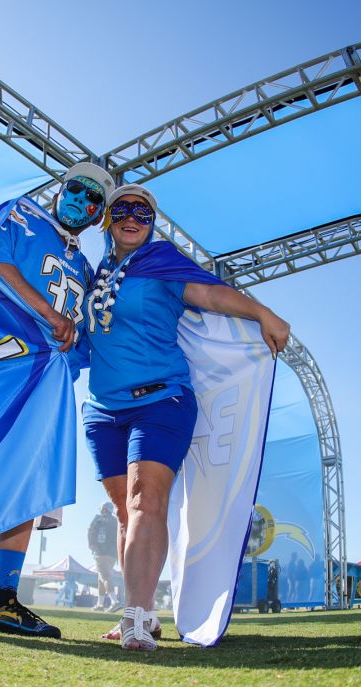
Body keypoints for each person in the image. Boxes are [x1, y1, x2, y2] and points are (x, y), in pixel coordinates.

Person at [83, 184, 291, 651]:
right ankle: (145, 612)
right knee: (124, 512)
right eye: (122, 210)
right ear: (106, 220)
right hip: (102, 410)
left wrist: (262, 312)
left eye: (144, 211)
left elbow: (211, 296)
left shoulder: (161, 260)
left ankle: (134, 615)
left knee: (144, 502)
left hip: (161, 400)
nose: (133, 217)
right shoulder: (94, 274)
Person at [0, 162, 115, 640]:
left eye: (94, 199)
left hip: (45, 380)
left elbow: (90, 334)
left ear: (98, 217)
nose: (82, 201)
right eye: (77, 188)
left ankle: (4, 600)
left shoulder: (88, 269)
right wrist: (49, 313)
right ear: (61, 189)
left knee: (29, 481)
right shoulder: (19, 213)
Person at [87, 502, 119, 611]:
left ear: (104, 509)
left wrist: (91, 546)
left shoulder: (98, 519)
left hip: (101, 552)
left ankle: (115, 601)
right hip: (114, 554)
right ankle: (100, 604)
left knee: (105, 576)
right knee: (101, 578)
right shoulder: (115, 521)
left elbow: (90, 531)